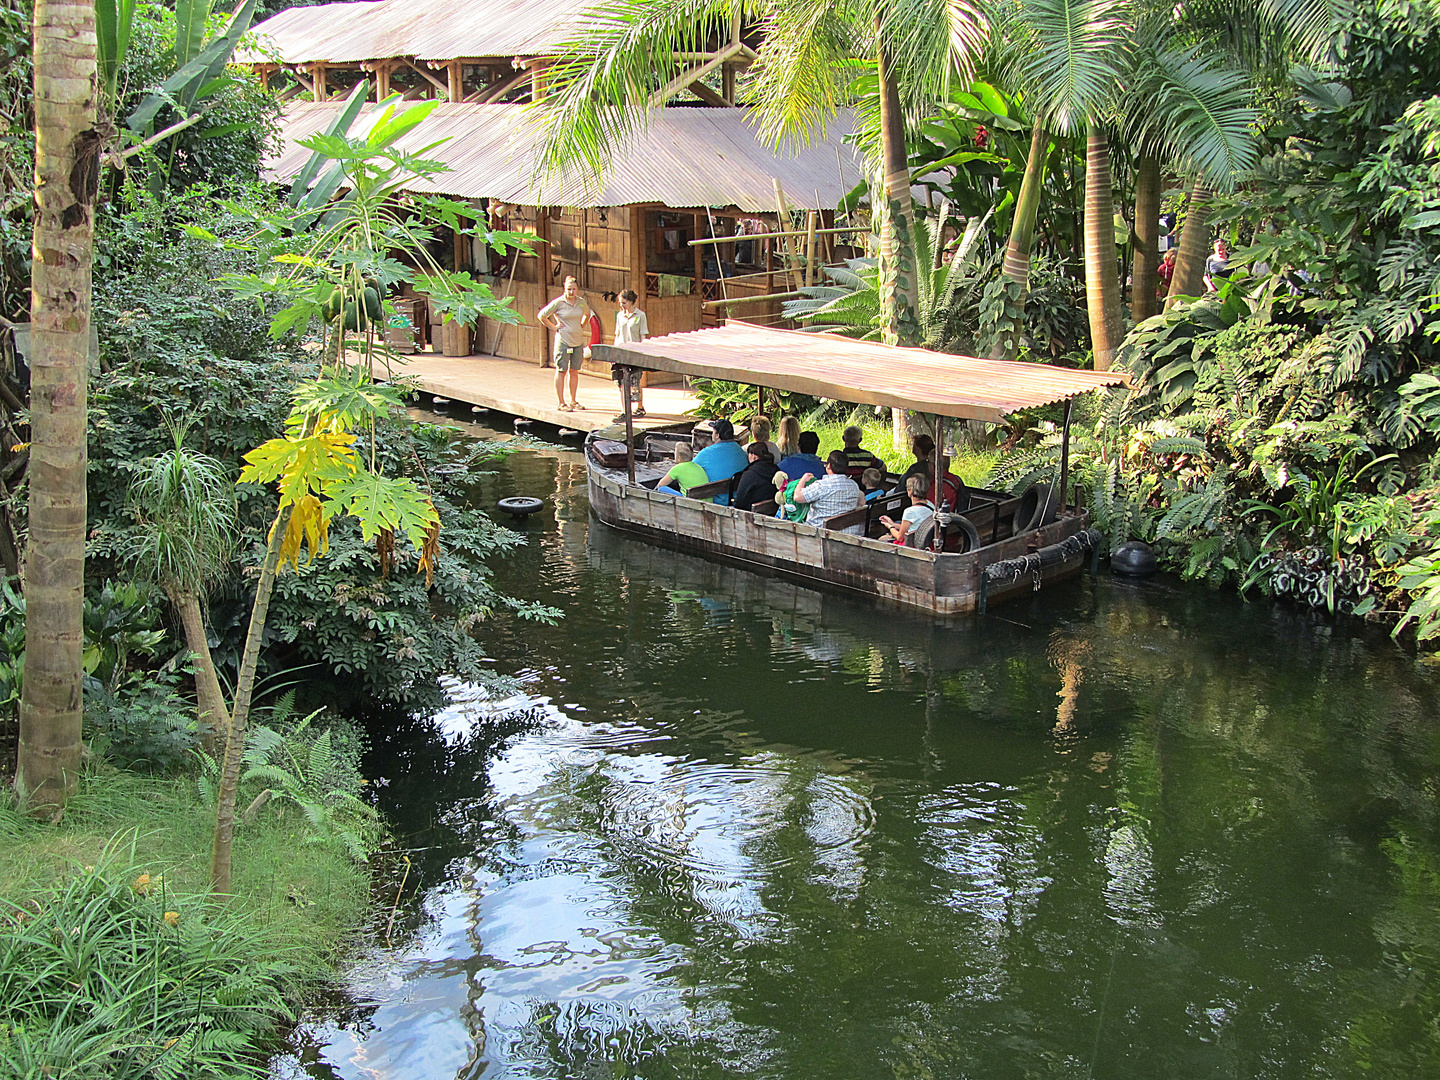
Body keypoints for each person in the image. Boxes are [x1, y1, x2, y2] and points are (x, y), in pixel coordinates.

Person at [538, 276, 591, 411]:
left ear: (577, 289)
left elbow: (587, 313)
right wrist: (554, 327)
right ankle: (561, 403)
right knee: (562, 370)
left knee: (574, 371)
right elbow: (542, 315)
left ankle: (573, 400)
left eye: (574, 289)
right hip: (564, 341)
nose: (571, 292)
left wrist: (582, 325)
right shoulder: (559, 302)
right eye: (569, 289)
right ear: (564, 288)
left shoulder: (581, 302)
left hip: (577, 340)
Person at [793, 451, 866, 534]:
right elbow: (861, 501)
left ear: (829, 466)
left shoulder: (821, 486)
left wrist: (803, 480)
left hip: (820, 534)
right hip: (847, 533)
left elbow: (797, 497)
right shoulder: (853, 485)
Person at [611, 289, 649, 419]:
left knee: (635, 381)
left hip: (634, 352)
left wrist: (643, 352)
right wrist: (613, 352)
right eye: (620, 302)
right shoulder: (620, 315)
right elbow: (617, 334)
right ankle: (624, 410)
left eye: (624, 302)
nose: (622, 305)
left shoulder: (640, 315)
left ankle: (639, 407)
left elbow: (643, 335)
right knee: (620, 381)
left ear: (632, 302)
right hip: (621, 352)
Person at [693, 418, 748, 505]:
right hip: (737, 499)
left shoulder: (706, 453)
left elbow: (689, 467)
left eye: (713, 431)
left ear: (717, 435)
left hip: (718, 501)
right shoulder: (740, 450)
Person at [879, 475, 936, 545]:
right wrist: (892, 524)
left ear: (910, 491)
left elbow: (899, 537)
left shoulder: (910, 512)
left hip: (911, 546)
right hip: (924, 542)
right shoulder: (930, 505)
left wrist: (890, 527)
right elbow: (915, 526)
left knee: (881, 540)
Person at [732, 443, 780, 513]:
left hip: (752, 515)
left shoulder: (749, 474)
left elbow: (740, 502)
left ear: (753, 456)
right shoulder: (776, 470)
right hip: (773, 512)